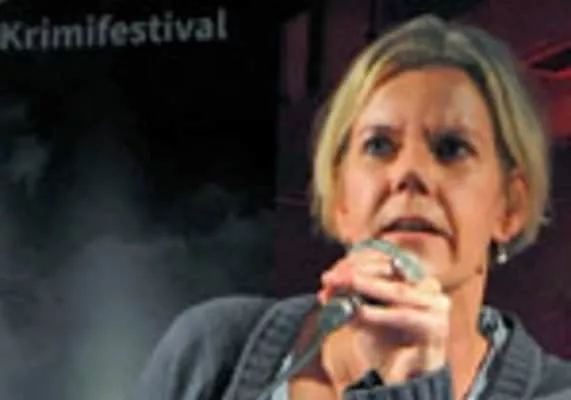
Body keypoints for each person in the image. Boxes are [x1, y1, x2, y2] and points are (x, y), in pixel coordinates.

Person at [131, 14, 571, 400]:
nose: (410, 172)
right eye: (379, 145)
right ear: (340, 197)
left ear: (510, 207)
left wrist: (410, 387)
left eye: (451, 148)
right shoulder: (212, 350)